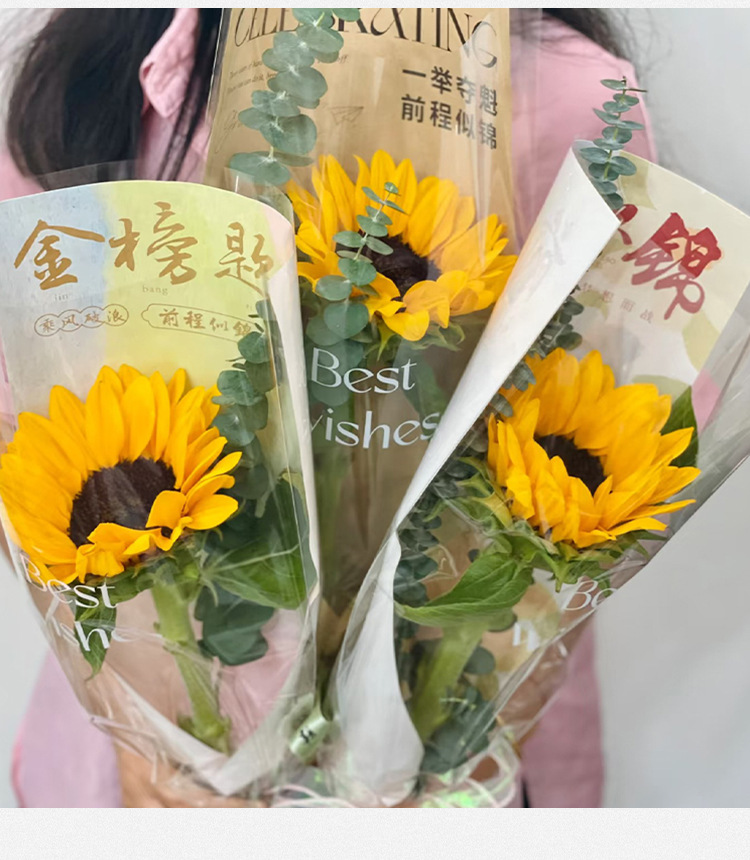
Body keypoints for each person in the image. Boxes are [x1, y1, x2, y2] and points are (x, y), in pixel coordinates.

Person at [0, 8, 655, 808]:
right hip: (147, 753)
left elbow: (612, 480)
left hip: (450, 743)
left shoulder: (569, 97)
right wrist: (140, 735)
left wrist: (463, 745)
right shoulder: (86, 81)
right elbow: (22, 441)